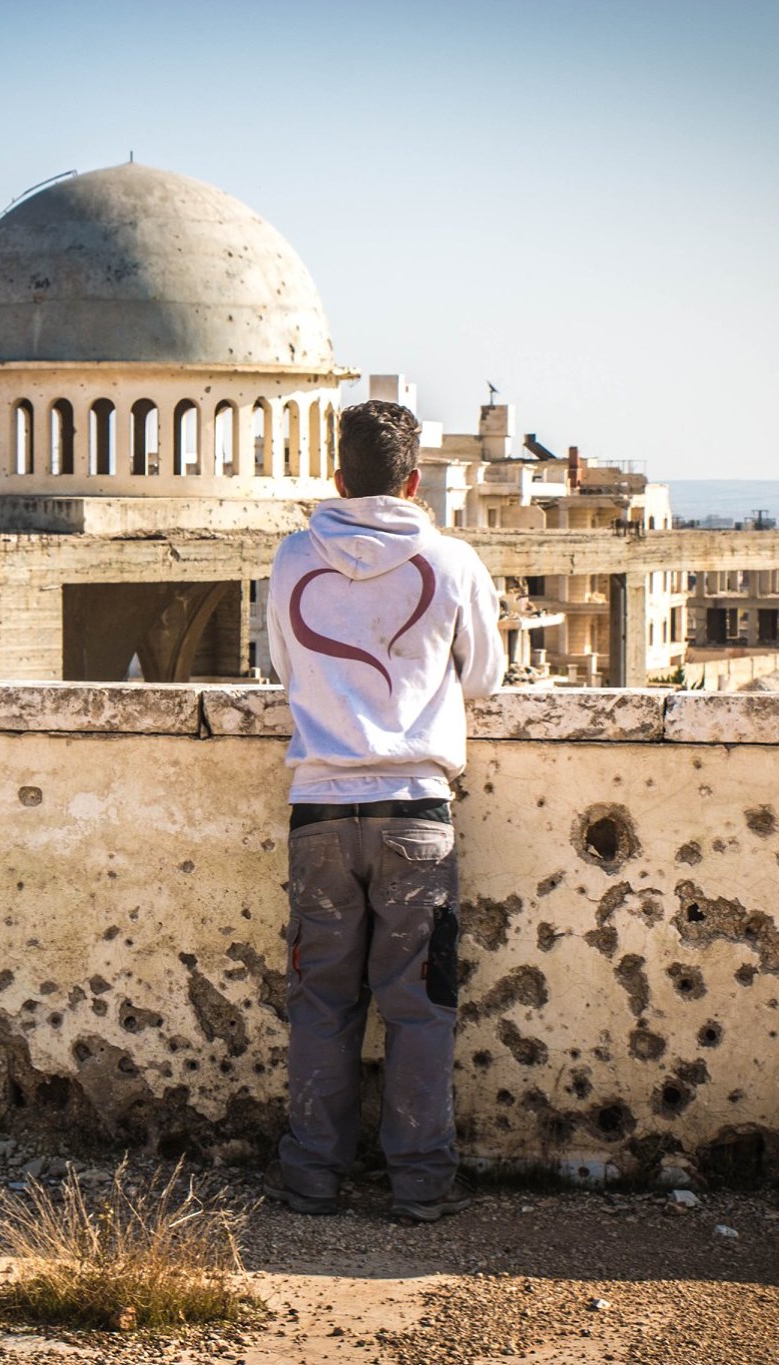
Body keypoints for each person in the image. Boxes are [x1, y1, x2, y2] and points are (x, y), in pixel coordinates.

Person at [262, 399, 505, 1223]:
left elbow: (281, 666)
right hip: (416, 814)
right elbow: (484, 679)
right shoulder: (453, 560)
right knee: (420, 1004)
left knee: (321, 1002)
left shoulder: (294, 558)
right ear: (413, 481)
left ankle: (312, 1179)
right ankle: (420, 1184)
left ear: (337, 476)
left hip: (321, 812)